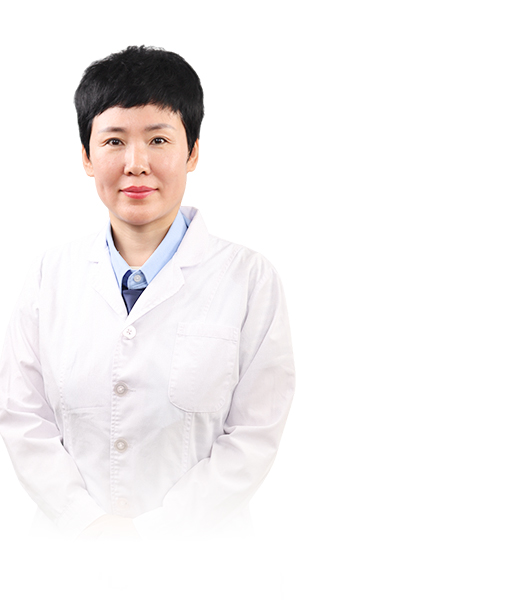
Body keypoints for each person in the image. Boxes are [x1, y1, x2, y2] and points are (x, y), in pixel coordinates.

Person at [0, 46, 295, 540]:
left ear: (193, 151)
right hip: (68, 557)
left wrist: (153, 535)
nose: (136, 164)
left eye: (158, 139)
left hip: (205, 560)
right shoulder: (50, 275)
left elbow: (253, 436)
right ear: (87, 156)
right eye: (113, 141)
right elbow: (23, 417)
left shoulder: (249, 279)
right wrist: (87, 523)